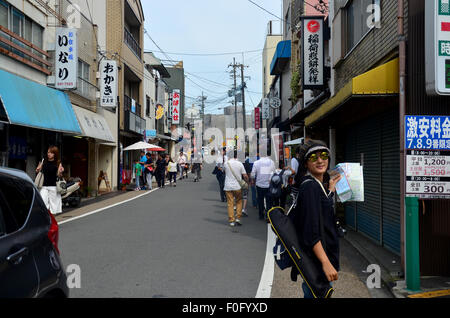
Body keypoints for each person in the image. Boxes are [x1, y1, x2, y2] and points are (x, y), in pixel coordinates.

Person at [289, 140, 342, 298]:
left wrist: (330, 191)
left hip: (318, 261)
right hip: (317, 264)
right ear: (305, 163)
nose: (320, 160)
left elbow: (321, 212)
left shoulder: (315, 185)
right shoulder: (310, 187)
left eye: (324, 155)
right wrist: (325, 263)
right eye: (313, 157)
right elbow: (311, 232)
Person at [36, 146, 64, 215]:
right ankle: (47, 218)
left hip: (53, 187)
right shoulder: (43, 161)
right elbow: (37, 171)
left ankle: (51, 221)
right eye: (48, 152)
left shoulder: (58, 163)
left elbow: (59, 175)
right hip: (44, 186)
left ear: (55, 154)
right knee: (42, 202)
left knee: (53, 206)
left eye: (51, 153)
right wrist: (38, 168)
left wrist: (60, 172)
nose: (49, 154)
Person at [223, 150, 249, 227]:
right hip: (237, 186)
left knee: (230, 203)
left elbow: (224, 172)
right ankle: (238, 218)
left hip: (228, 186)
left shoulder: (226, 164)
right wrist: (247, 182)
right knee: (239, 202)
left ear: (229, 156)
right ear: (236, 156)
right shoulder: (240, 164)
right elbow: (245, 175)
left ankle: (231, 220)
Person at [251, 152, 276, 220]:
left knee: (260, 200)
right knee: (269, 201)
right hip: (268, 184)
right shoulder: (271, 162)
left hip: (259, 184)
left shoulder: (256, 163)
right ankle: (268, 215)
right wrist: (270, 179)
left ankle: (261, 215)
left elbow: (253, 174)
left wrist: (253, 180)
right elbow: (273, 172)